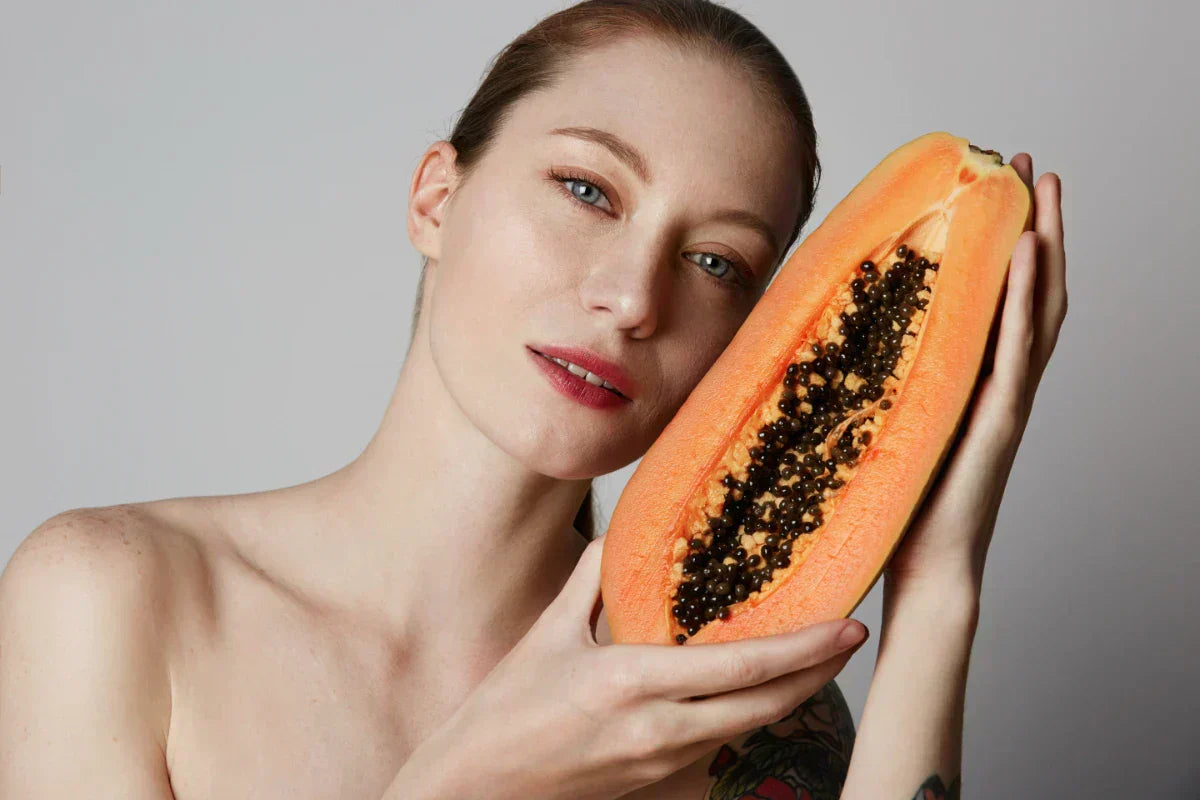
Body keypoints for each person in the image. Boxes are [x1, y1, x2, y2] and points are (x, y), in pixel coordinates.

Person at [0, 1, 1067, 798]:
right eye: (587, 189)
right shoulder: (114, 596)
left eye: (716, 263)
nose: (632, 298)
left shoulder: (739, 713)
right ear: (437, 197)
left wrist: (936, 585)